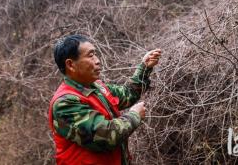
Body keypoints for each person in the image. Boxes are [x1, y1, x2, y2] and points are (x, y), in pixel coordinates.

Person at [48, 34, 162, 165]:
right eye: (90, 55)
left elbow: (127, 94)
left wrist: (144, 68)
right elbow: (106, 136)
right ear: (70, 64)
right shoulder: (65, 103)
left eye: (95, 54)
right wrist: (134, 115)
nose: (97, 60)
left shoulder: (96, 87)